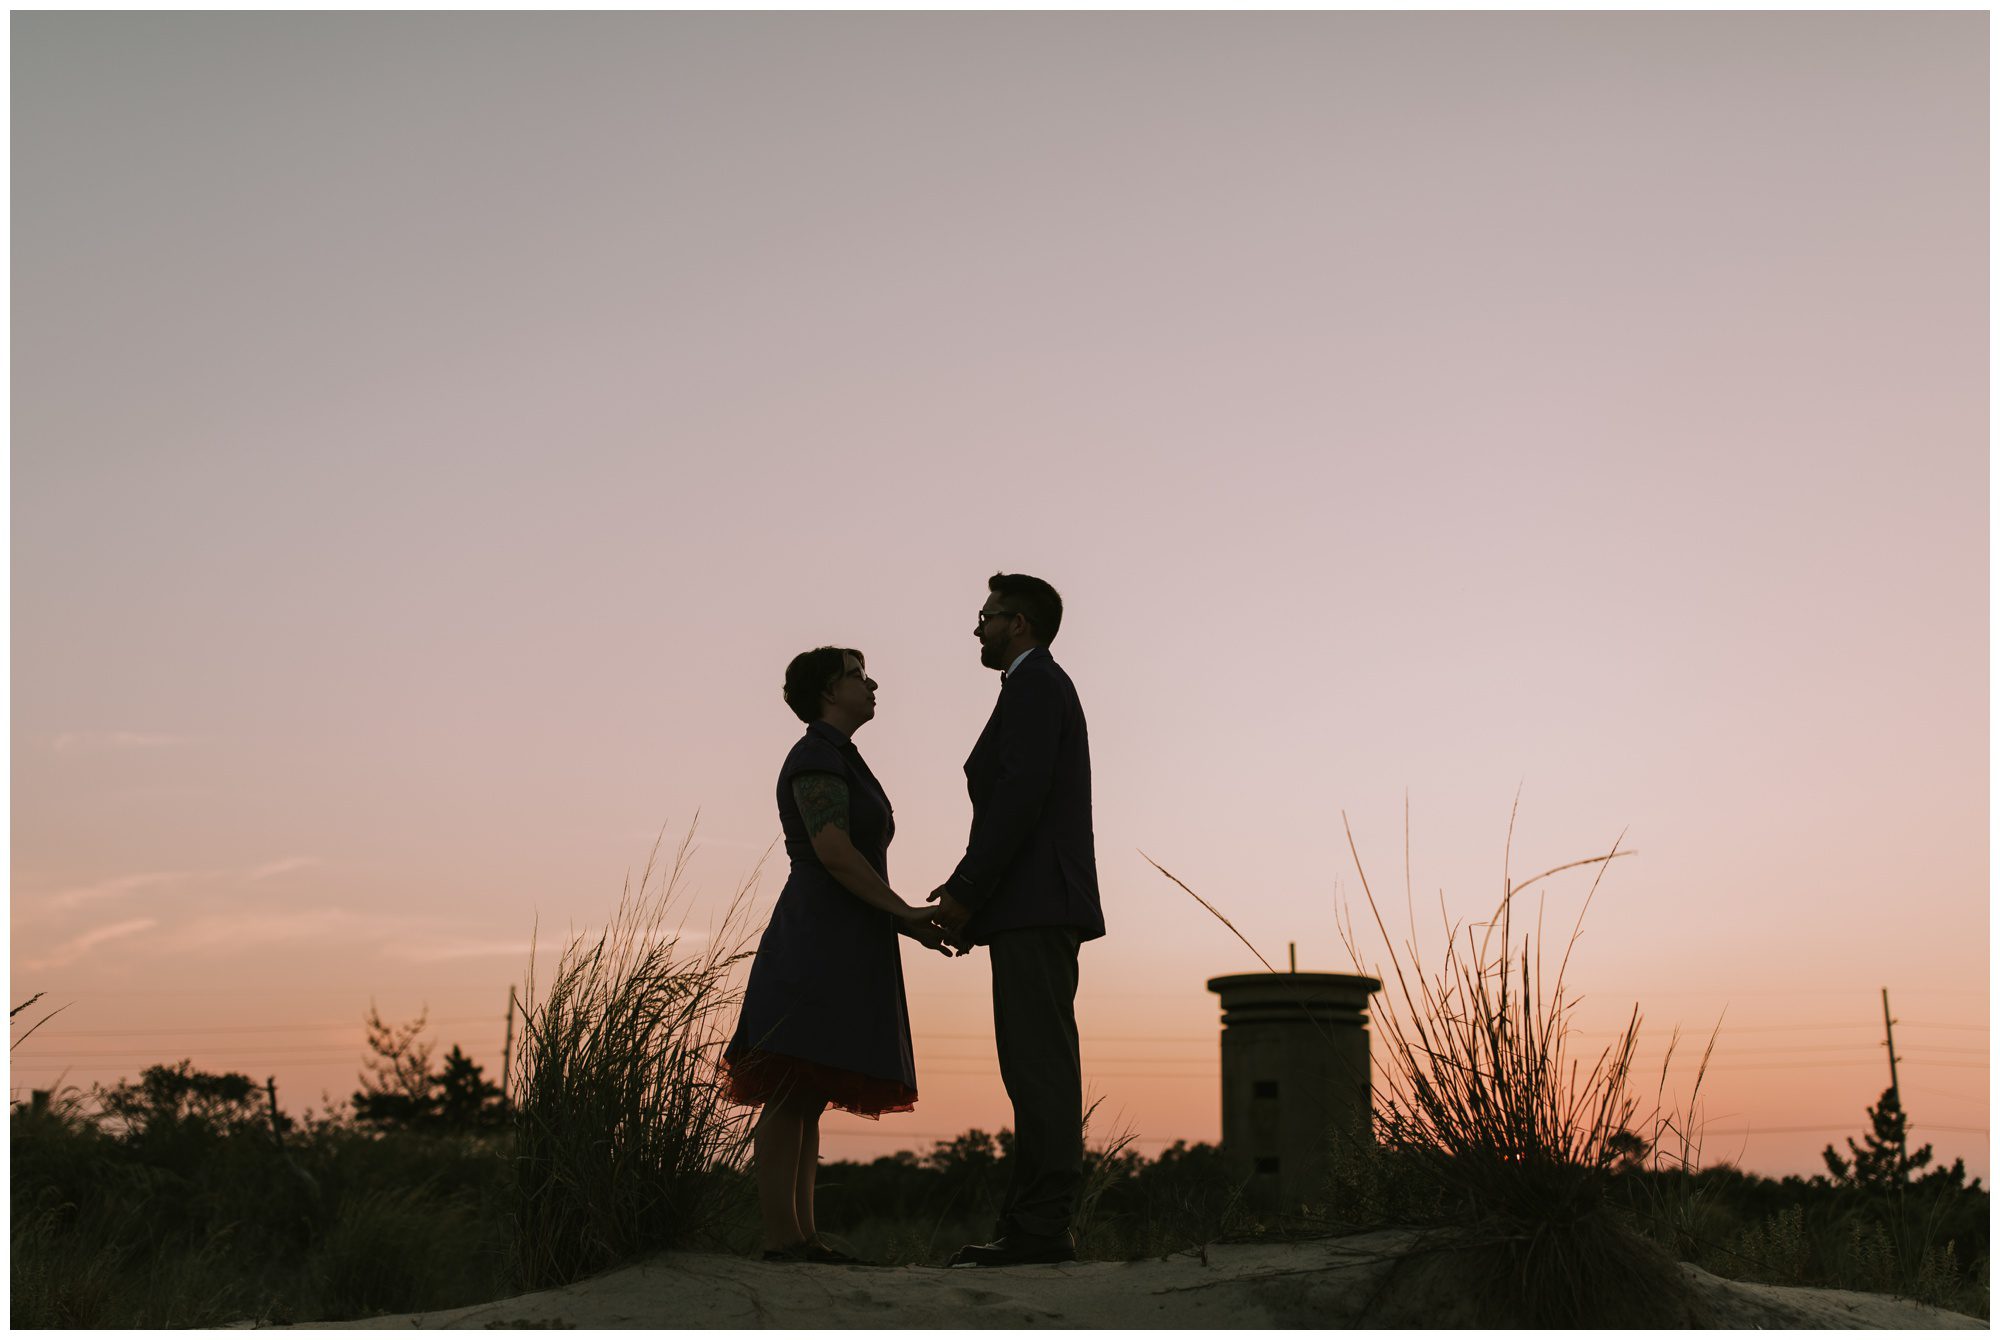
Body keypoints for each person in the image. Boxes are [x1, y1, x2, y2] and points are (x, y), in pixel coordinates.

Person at [724, 646, 955, 1264]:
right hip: (816, 938)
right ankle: (783, 1240)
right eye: (858, 674)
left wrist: (909, 925)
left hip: (850, 936)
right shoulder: (814, 756)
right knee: (790, 1084)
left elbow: (857, 862)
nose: (872, 682)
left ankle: (802, 1236)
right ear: (830, 689)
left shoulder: (844, 758)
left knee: (809, 1089)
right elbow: (832, 849)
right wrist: (904, 912)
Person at [929, 573, 1104, 1267]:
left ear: (1020, 624)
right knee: (1032, 1064)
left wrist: (969, 892)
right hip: (1029, 904)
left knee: (1039, 1066)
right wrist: (971, 891)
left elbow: (1018, 800)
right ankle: (1029, 1223)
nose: (978, 628)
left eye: (988, 615)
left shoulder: (1036, 685)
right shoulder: (1031, 687)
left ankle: (1041, 1228)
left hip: (1037, 904)